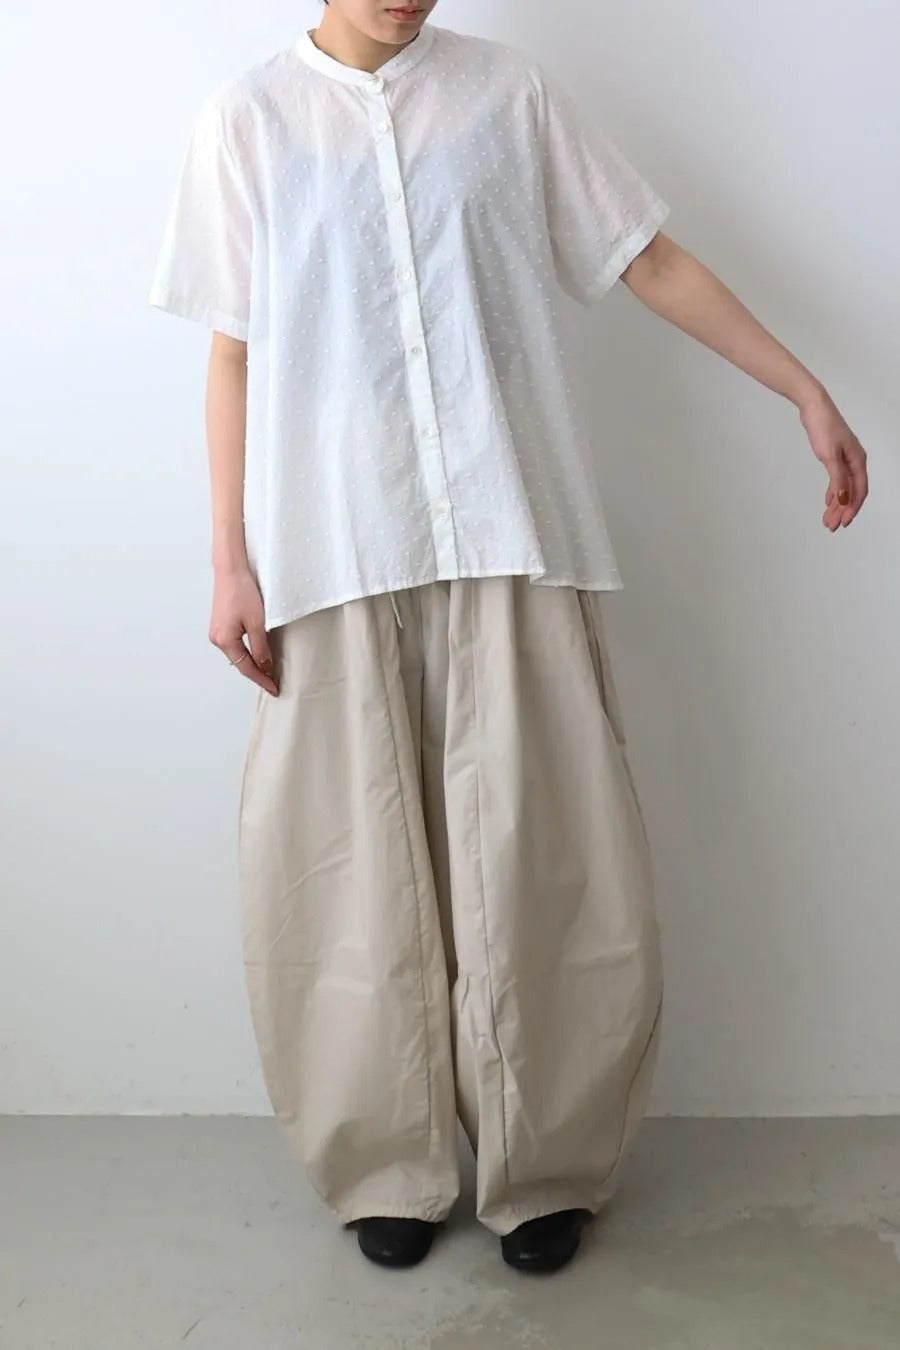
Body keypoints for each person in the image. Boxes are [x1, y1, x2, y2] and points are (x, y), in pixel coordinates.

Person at [148, 0, 868, 1274]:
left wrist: (803, 386)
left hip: (508, 519)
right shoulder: (249, 123)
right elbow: (235, 352)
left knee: (545, 853)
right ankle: (387, 1162)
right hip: (333, 542)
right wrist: (228, 558)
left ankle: (544, 1168)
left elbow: (647, 257)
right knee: (344, 869)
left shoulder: (505, 99)